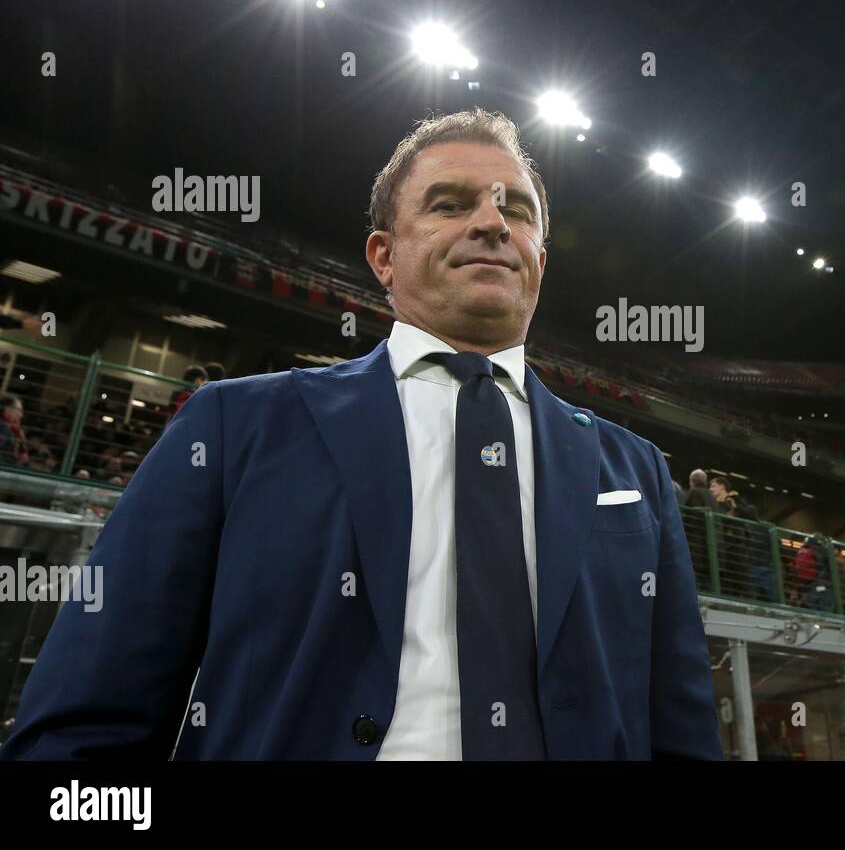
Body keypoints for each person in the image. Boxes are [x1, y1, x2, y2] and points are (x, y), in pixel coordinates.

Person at [2, 109, 720, 761]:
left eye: (517, 212)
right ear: (383, 256)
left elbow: (682, 731)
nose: (493, 224)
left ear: (538, 256)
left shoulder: (636, 471)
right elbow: (83, 723)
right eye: (450, 204)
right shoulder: (235, 427)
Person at [0, 395, 29, 467]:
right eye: (19, 410)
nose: (21, 415)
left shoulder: (15, 430)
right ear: (7, 409)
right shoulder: (3, 428)